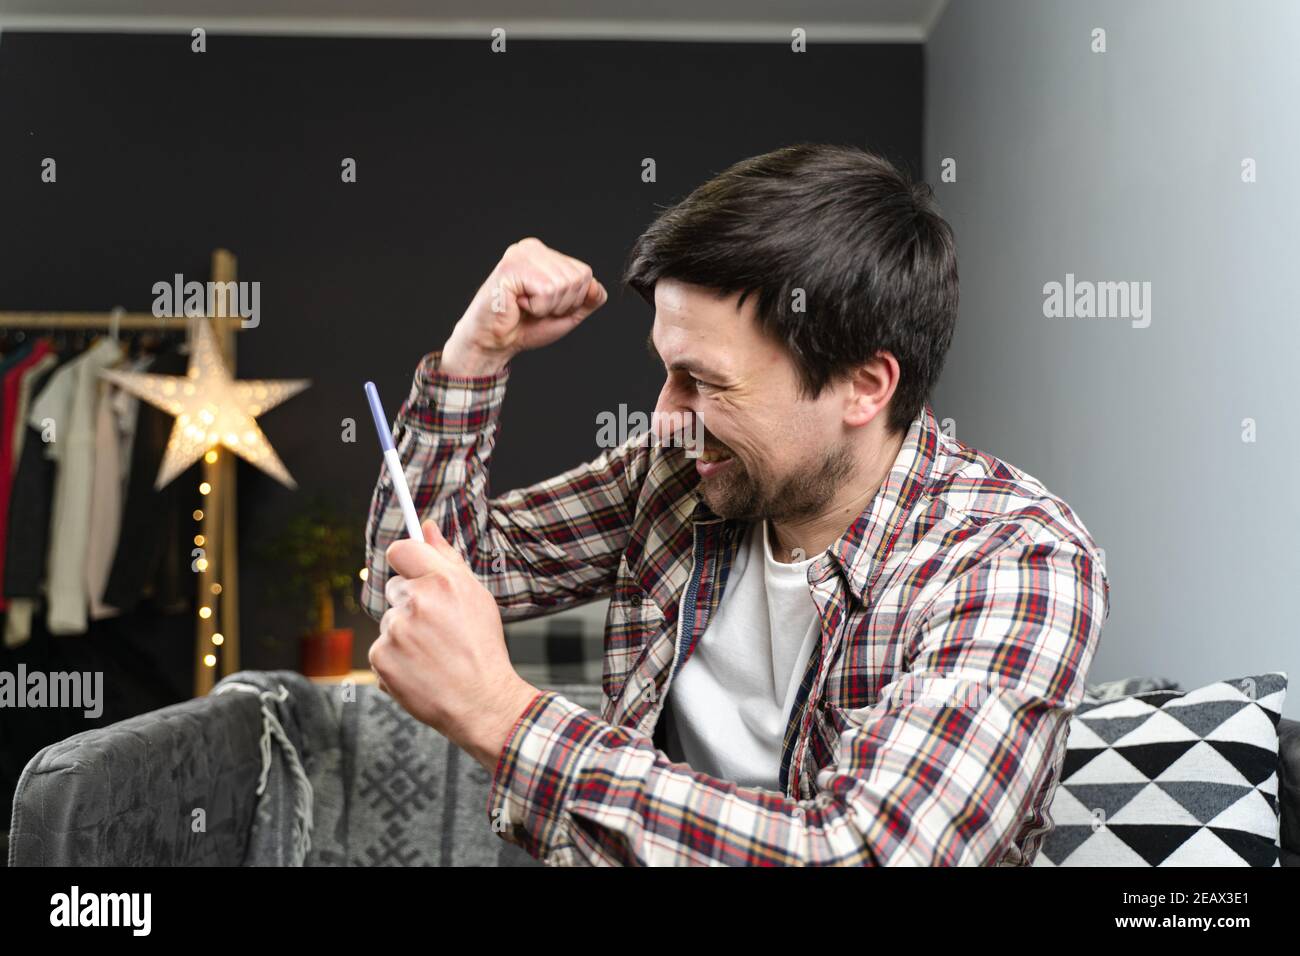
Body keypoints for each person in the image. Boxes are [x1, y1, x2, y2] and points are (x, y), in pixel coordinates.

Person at [362, 143, 1109, 866]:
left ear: (865, 386)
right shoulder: (679, 475)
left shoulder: (1015, 560)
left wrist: (503, 716)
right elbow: (421, 573)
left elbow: (868, 853)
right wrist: (474, 359)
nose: (663, 417)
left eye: (706, 382)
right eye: (665, 371)